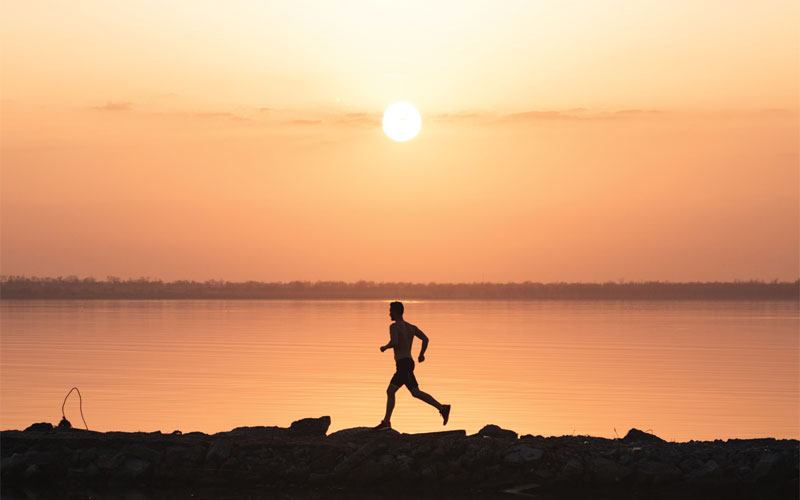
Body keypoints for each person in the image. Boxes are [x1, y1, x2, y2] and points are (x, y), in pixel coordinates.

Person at [374, 301, 450, 430]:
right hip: (407, 363)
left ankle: (386, 422)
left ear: (396, 312)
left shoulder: (394, 327)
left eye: (391, 311)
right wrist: (421, 354)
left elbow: (395, 342)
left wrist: (385, 347)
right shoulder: (411, 327)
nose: (389, 313)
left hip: (403, 364)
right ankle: (442, 408)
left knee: (391, 391)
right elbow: (425, 339)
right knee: (414, 392)